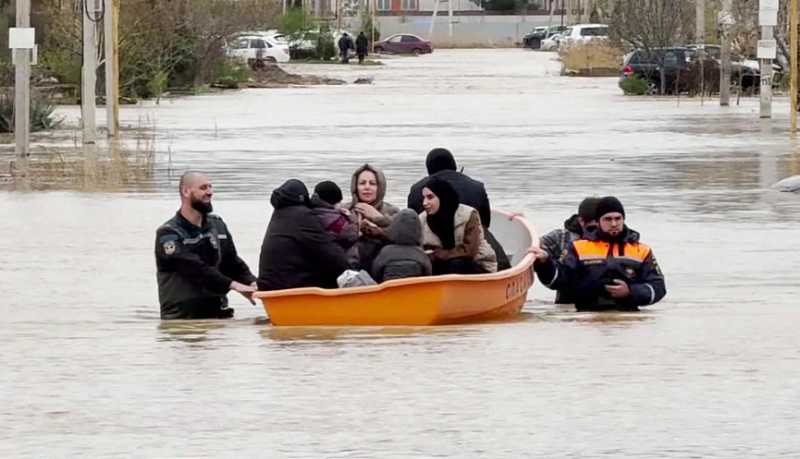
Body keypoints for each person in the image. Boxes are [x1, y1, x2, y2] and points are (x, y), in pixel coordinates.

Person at [531, 196, 666, 311]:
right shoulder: (578, 247)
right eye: (608, 219)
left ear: (623, 219)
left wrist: (630, 291)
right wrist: (545, 263)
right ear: (598, 221)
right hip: (586, 320)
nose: (614, 223)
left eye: (618, 218)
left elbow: (658, 287)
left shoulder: (642, 250)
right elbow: (558, 281)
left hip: (628, 319)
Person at [155, 172, 256, 320]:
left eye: (210, 187)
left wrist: (254, 283)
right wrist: (234, 285)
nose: (210, 192)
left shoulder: (218, 225)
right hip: (182, 318)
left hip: (218, 313)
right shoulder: (168, 233)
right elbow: (194, 268)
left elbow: (232, 263)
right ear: (186, 191)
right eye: (203, 188)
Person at [407, 148, 510, 270]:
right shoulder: (476, 186)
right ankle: (504, 270)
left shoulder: (416, 189)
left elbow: (412, 226)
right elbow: (485, 221)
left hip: (433, 249)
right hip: (470, 245)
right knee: (499, 260)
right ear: (454, 165)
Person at [258, 179, 350, 291]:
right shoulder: (303, 216)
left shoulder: (279, 214)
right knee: (335, 274)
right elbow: (331, 252)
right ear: (302, 198)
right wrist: (353, 271)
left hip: (270, 285)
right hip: (289, 287)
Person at [419, 177, 498, 274]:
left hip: (477, 263)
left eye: (430, 197)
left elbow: (469, 251)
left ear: (442, 196)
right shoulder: (421, 219)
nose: (424, 203)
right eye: (424, 198)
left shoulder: (468, 215)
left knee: (456, 264)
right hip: (442, 266)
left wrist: (438, 254)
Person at [539, 196, 599, 304]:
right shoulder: (560, 238)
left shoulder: (622, 242)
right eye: (593, 227)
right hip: (567, 304)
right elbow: (532, 247)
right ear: (581, 221)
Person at [347, 164, 400, 271]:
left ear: (380, 187)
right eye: (362, 183)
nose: (367, 187)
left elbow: (403, 238)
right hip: (349, 268)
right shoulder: (344, 209)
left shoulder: (393, 211)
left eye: (372, 183)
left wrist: (378, 218)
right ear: (355, 187)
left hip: (381, 267)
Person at [372, 209, 432, 282]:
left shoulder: (385, 252)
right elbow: (428, 275)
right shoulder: (421, 254)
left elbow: (375, 273)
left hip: (389, 291)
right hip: (415, 291)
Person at [309, 180, 359, 267]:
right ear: (332, 202)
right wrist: (352, 217)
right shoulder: (335, 220)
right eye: (339, 202)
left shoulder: (311, 212)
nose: (340, 204)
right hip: (340, 263)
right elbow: (352, 235)